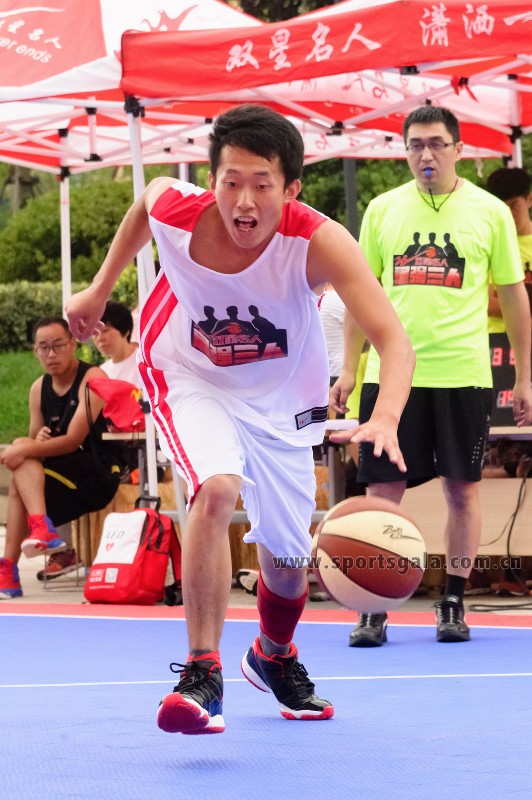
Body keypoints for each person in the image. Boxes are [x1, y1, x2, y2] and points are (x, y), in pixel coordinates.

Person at [66, 104, 414, 734]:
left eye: (262, 184)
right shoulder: (179, 211)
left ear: (292, 188)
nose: (244, 201)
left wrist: (385, 415)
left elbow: (393, 339)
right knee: (216, 487)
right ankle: (203, 672)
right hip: (189, 374)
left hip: (282, 401)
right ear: (212, 180)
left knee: (287, 557)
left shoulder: (318, 242)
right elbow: (146, 202)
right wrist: (98, 289)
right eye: (231, 182)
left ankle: (273, 654)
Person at [331, 105, 532, 647]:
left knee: (462, 491)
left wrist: (524, 377)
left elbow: (514, 298)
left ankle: (453, 600)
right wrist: (349, 367)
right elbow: (359, 295)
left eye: (437, 143)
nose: (426, 154)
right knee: (381, 491)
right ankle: (372, 606)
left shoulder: (490, 212)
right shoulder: (382, 210)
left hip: (463, 375)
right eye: (416, 144)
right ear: (405, 152)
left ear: (458, 150)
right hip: (390, 379)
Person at [0, 317, 127, 595]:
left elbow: (72, 440)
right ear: (35, 351)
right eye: (43, 347)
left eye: (58, 345)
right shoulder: (38, 388)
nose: (51, 354)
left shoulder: (92, 378)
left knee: (21, 455)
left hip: (98, 471)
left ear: (73, 344)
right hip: (61, 473)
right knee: (23, 456)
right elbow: (34, 447)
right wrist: (35, 442)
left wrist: (25, 448)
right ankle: (36, 533)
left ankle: (11, 567)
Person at [92, 300, 139, 385]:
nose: (100, 338)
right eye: (95, 333)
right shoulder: (101, 373)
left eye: (105, 331)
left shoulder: (146, 361)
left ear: (126, 331)